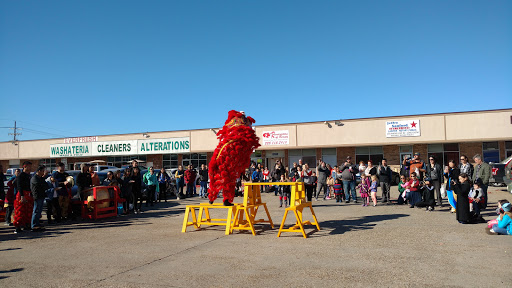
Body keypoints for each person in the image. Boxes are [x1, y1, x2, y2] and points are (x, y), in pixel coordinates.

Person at [14, 161, 34, 234]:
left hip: (28, 194)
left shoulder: (29, 175)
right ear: (25, 166)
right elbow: (19, 186)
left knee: (28, 210)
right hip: (22, 194)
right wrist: (22, 196)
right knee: (20, 210)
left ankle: (26, 225)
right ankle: (17, 227)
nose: (30, 168)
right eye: (29, 166)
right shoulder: (21, 175)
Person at [30, 165, 48, 231]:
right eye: (42, 171)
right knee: (36, 210)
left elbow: (46, 185)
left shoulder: (40, 178)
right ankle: (33, 225)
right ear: (39, 171)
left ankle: (37, 223)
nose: (43, 172)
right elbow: (40, 185)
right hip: (37, 196)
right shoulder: (34, 178)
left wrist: (43, 178)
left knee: (39, 211)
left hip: (41, 196)